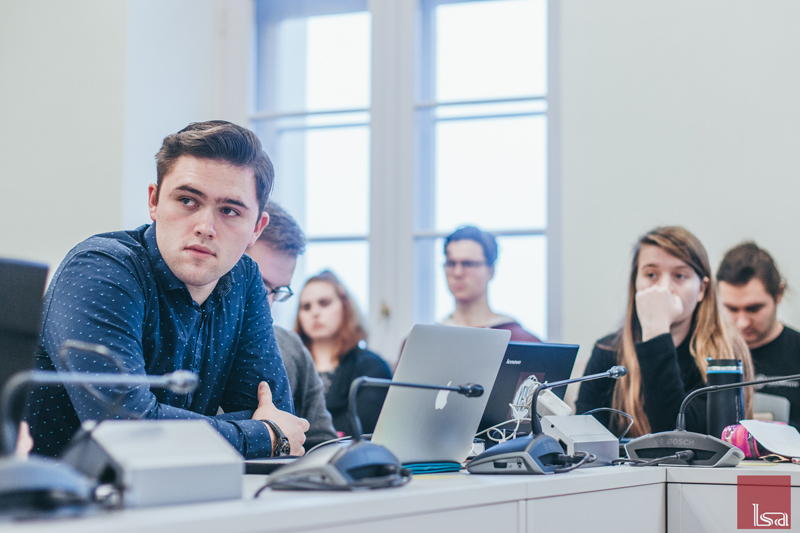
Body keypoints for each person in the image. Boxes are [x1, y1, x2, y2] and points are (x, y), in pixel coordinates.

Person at [28, 121, 309, 459]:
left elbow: (277, 416)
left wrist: (167, 425)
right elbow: (126, 432)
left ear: (256, 229)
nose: (205, 227)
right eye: (188, 200)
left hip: (173, 500)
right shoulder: (99, 269)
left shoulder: (245, 277)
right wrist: (260, 435)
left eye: (230, 211)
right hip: (50, 503)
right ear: (154, 201)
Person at [576, 226, 753, 437]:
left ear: (702, 289)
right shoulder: (608, 352)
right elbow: (584, 441)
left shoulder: (724, 353)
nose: (664, 288)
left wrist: (656, 332)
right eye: (651, 274)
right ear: (635, 284)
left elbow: (678, 438)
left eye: (679, 275)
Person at [246, 201, 338, 449]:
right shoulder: (191, 340)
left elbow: (323, 443)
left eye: (277, 291)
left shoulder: (291, 346)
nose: (268, 303)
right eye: (260, 285)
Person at [294, 270, 391, 437]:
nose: (315, 313)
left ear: (344, 306)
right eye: (306, 307)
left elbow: (363, 427)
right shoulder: (287, 365)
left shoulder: (372, 366)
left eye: (324, 303)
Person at [717, 242, 800, 429]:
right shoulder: (707, 353)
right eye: (732, 309)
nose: (742, 322)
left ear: (779, 294)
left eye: (753, 308)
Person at [441, 226, 541, 342]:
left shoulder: (522, 341)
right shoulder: (431, 339)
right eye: (451, 263)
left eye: (468, 264)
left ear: (490, 270)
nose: (457, 273)